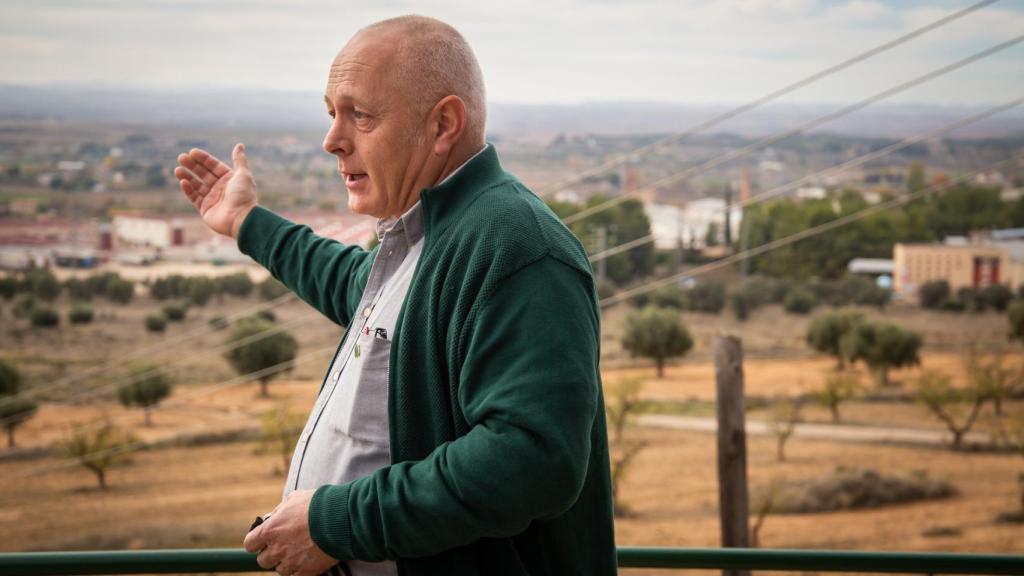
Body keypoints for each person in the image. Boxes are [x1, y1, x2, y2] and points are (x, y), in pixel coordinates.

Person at [174, 15, 616, 576]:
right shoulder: (430, 234)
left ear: (442, 125)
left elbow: (532, 459)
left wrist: (336, 522)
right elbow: (347, 284)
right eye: (332, 113)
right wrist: (245, 222)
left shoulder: (518, 246)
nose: (333, 140)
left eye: (360, 115)